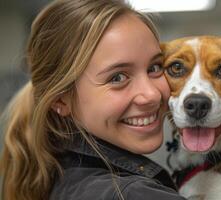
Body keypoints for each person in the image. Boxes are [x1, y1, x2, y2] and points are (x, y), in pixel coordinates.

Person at [0, 0, 186, 199]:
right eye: (118, 78)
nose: (153, 95)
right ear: (61, 100)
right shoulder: (132, 194)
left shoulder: (59, 176)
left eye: (155, 67)